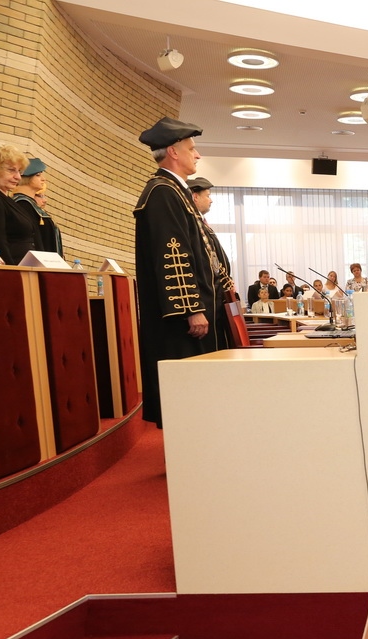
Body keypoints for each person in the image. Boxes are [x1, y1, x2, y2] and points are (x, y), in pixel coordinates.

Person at [132, 117, 230, 427]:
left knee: (198, 392)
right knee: (186, 395)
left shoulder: (176, 190)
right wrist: (191, 309)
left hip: (197, 312)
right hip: (184, 320)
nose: (197, 154)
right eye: (191, 148)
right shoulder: (163, 192)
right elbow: (172, 255)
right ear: (173, 152)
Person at [187, 176, 236, 308]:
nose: (211, 200)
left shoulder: (202, 223)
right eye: (208, 196)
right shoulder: (193, 224)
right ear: (195, 197)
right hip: (207, 296)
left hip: (218, 292)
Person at [0, 143, 35, 263]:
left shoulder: (5, 199)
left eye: (19, 171)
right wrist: (12, 271)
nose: (18, 177)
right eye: (11, 170)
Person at [13, 157, 62, 256]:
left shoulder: (31, 204)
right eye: (38, 175)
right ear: (26, 178)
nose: (43, 179)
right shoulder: (23, 204)